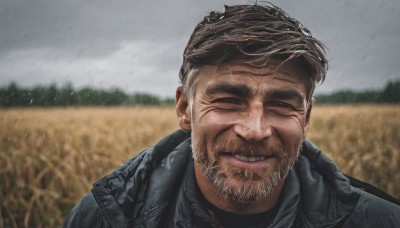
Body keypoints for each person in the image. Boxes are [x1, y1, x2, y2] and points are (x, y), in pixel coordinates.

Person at [63, 3, 400, 228]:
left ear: (306, 119)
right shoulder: (106, 217)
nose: (255, 130)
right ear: (185, 109)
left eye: (282, 104)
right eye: (228, 100)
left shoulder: (377, 220)